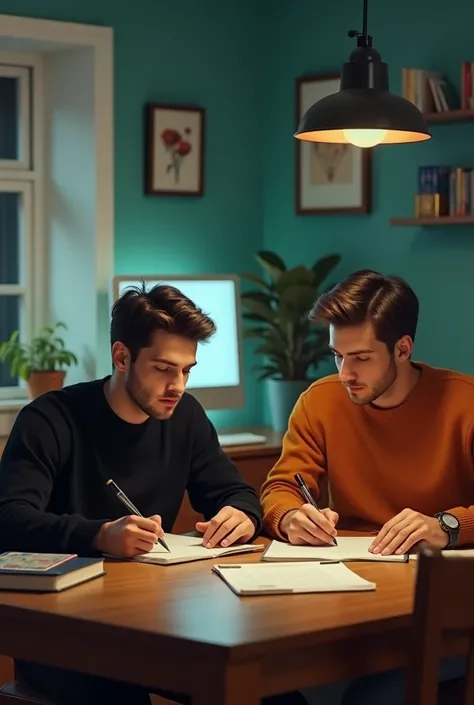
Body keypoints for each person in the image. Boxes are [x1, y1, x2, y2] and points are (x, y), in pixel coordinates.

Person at [0, 283, 304, 705]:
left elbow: (234, 490)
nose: (177, 385)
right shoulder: (50, 419)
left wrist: (242, 514)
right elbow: (10, 518)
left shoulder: (186, 417)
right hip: (61, 633)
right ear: (122, 357)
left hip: (156, 622)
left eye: (187, 370)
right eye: (163, 369)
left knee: (272, 695)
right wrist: (99, 535)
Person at [260, 269, 469, 704]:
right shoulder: (320, 401)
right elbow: (281, 485)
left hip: (448, 618)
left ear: (403, 349)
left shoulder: (465, 403)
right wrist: (292, 516)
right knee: (271, 688)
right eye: (338, 356)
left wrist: (447, 526)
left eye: (361, 357)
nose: (346, 372)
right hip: (352, 597)